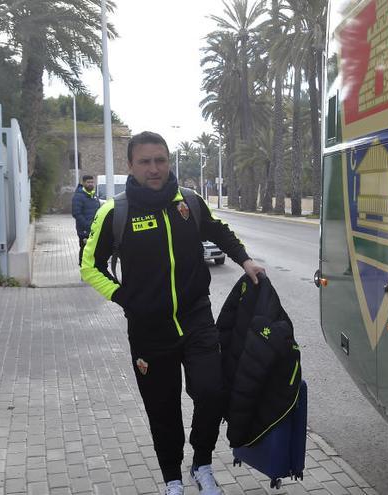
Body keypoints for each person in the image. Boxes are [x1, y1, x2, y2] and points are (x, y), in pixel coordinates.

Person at [80, 131, 264, 495]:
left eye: (160, 160)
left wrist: (246, 260)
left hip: (197, 320)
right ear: (131, 166)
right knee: (162, 410)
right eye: (145, 161)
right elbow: (89, 266)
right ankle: (172, 480)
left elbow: (218, 230)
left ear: (168, 160)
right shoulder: (115, 212)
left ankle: (202, 464)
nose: (154, 168)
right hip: (150, 332)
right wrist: (124, 298)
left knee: (212, 393)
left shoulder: (189, 203)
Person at [72, 174, 101, 265]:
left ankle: (93, 269)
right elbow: (76, 213)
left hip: (95, 229)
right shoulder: (78, 196)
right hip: (84, 230)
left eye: (92, 182)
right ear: (83, 183)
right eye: (88, 182)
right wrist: (88, 225)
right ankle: (83, 269)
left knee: (95, 250)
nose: (90, 184)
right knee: (85, 249)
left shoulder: (94, 196)